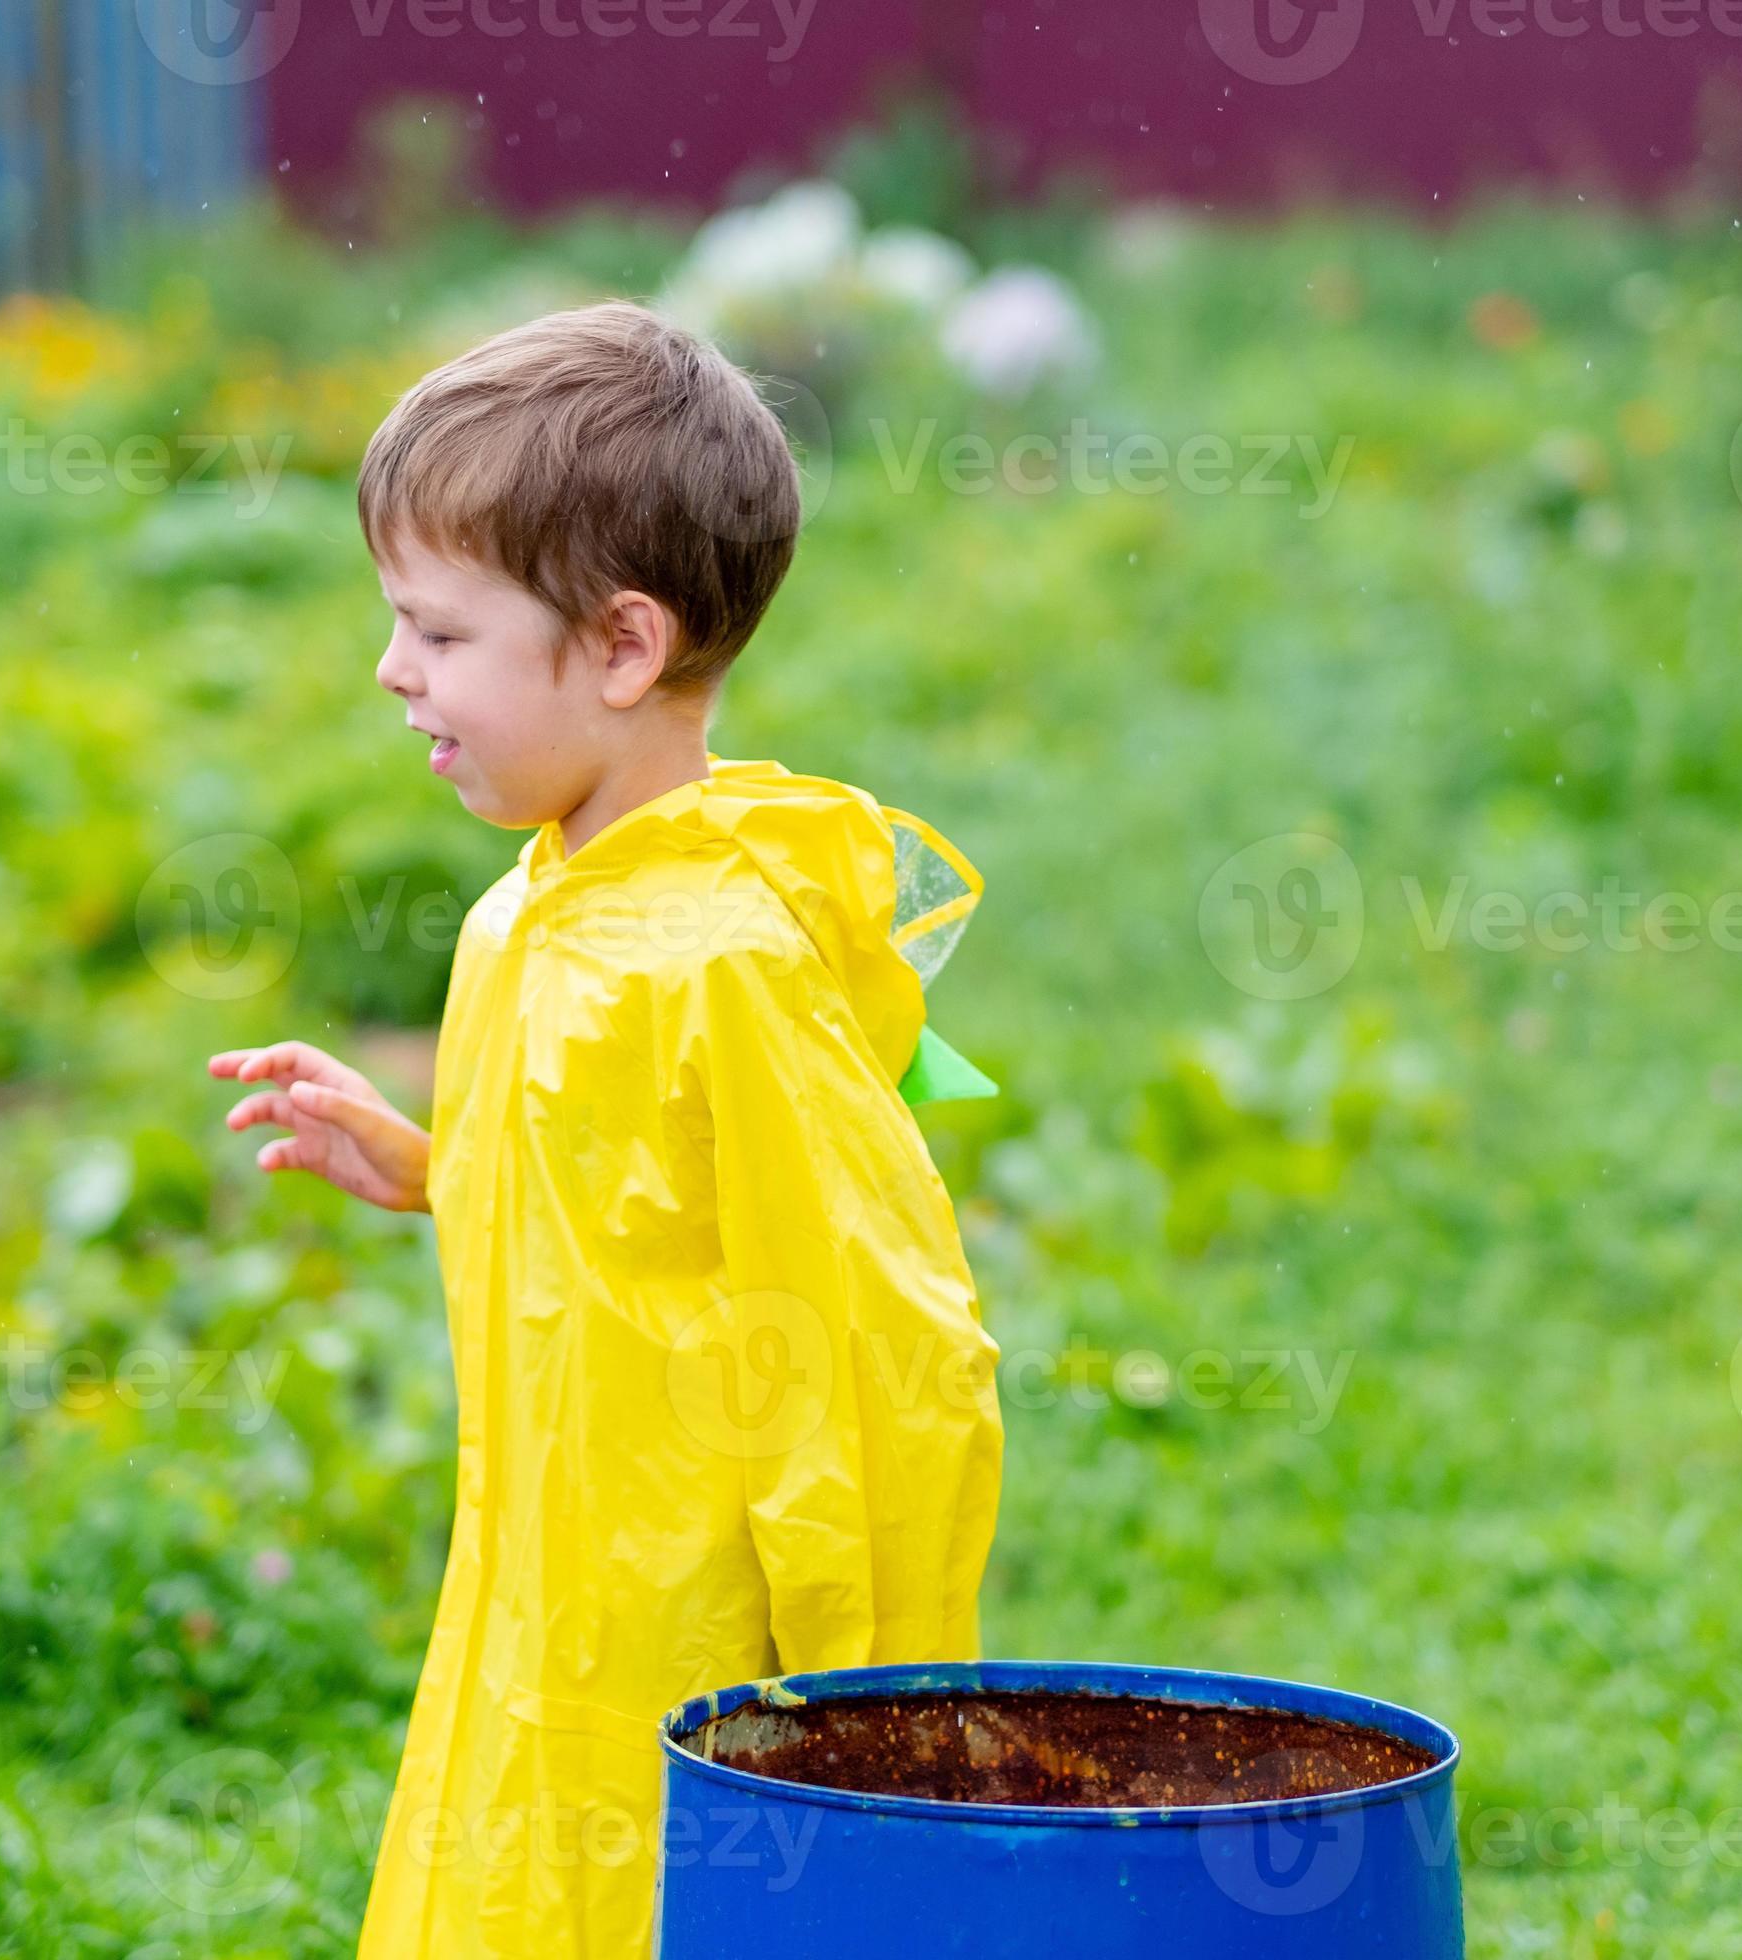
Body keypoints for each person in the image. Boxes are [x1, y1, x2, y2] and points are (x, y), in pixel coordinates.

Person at [203, 301, 1006, 1958]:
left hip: (688, 1639)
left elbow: (877, 1343)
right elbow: (629, 1203)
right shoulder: (535, 906)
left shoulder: (728, 960)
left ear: (623, 649)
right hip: (534, 1584)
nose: (389, 668)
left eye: (437, 632)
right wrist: (439, 1171)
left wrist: (866, 1713)